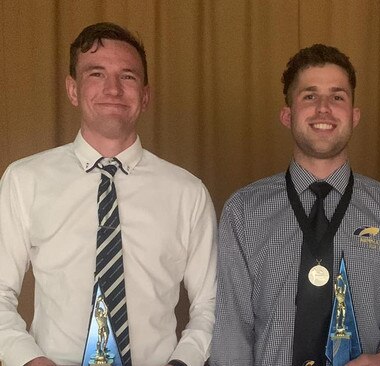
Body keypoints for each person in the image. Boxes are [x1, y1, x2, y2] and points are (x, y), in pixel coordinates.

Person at [0, 22, 217, 366]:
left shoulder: (187, 193)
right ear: (73, 90)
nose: (113, 89)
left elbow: (212, 303)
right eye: (96, 74)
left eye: (128, 76)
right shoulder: (24, 180)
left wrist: (184, 361)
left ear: (145, 96)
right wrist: (29, 360)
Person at [211, 44, 380, 366]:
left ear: (354, 116)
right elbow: (232, 327)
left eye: (337, 96)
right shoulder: (244, 212)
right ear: (287, 115)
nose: (324, 109)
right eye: (309, 96)